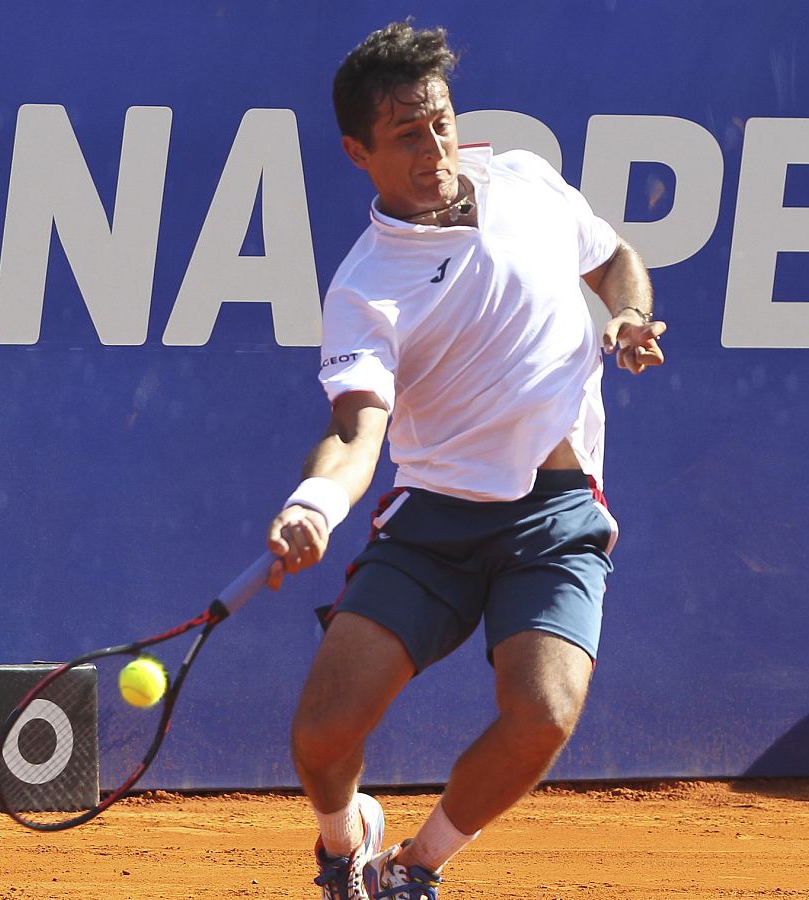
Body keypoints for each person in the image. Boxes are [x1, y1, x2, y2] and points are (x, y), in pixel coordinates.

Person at [264, 21, 667, 900]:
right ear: (357, 151)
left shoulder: (523, 178)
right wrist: (313, 504)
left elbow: (615, 260)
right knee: (323, 737)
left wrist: (628, 318)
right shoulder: (367, 287)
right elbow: (356, 430)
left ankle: (419, 865)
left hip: (556, 514)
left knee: (543, 714)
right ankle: (345, 837)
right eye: (407, 135)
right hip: (437, 521)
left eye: (441, 122)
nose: (435, 148)